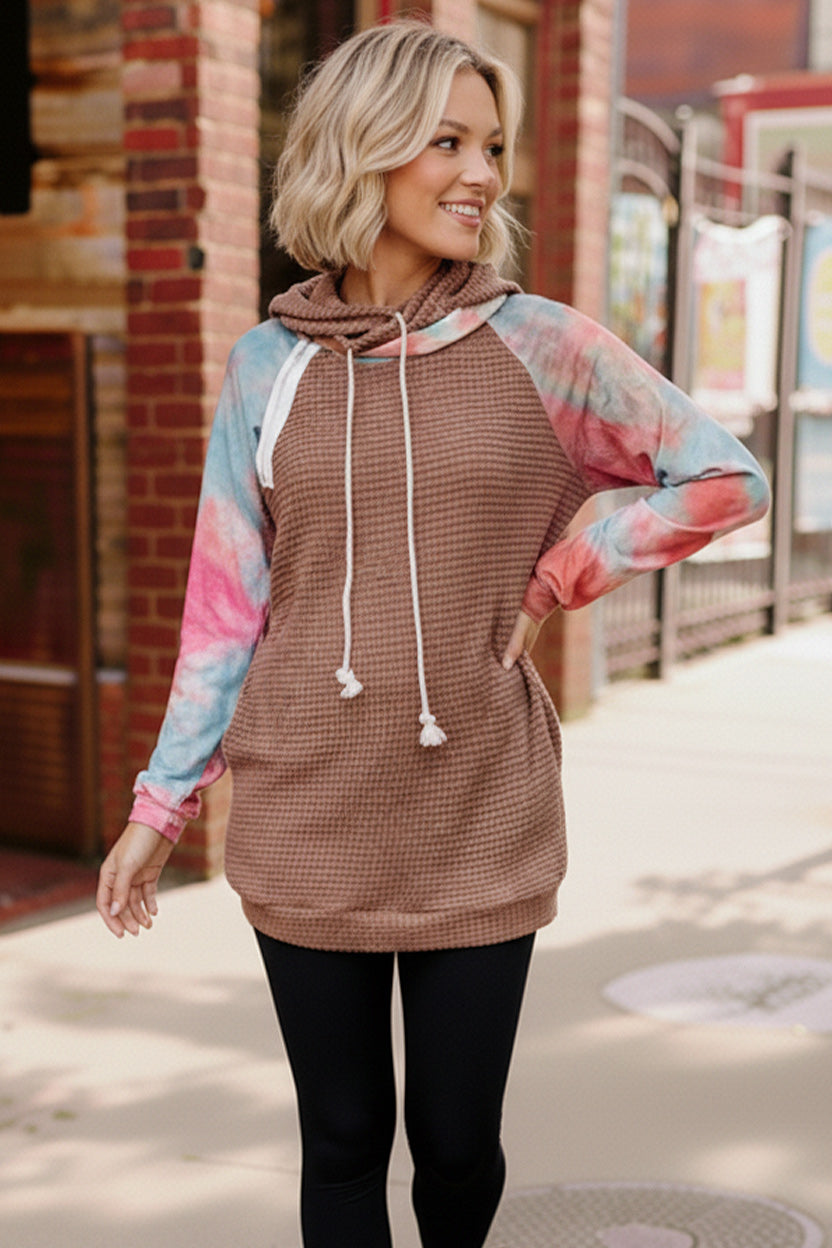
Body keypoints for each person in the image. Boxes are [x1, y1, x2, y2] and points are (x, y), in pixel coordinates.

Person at [96, 20, 770, 1248]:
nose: (481, 174)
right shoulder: (264, 366)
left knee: (456, 1147)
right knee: (343, 1139)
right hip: (305, 805)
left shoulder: (541, 343)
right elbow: (224, 612)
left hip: (477, 802)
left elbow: (725, 479)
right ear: (362, 151)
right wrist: (161, 808)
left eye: (492, 145)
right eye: (446, 142)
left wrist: (563, 573)